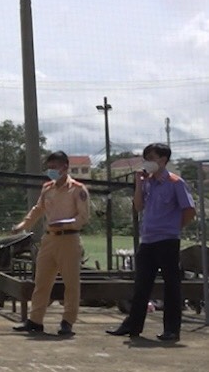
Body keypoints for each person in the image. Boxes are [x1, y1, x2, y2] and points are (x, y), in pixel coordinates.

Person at [107, 143, 196, 342]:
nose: (147, 161)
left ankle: (171, 329)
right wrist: (138, 184)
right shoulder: (148, 183)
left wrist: (174, 227)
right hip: (148, 241)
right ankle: (132, 325)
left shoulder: (175, 182)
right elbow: (138, 207)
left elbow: (189, 210)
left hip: (168, 240)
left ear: (163, 160)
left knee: (171, 285)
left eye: (151, 157)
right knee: (141, 285)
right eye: (145, 157)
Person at [10, 151, 90, 336]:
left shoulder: (78, 189)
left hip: (69, 238)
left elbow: (83, 216)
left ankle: (68, 321)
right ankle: (35, 320)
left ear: (65, 167)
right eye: (50, 167)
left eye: (55, 167)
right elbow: (38, 209)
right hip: (49, 239)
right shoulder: (47, 188)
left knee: (71, 283)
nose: (52, 171)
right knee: (42, 281)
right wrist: (23, 225)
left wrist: (67, 223)